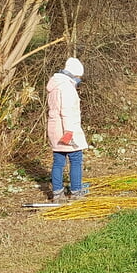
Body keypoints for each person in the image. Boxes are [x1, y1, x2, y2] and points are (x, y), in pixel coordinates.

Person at [47, 57, 89, 202]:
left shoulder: (55, 85)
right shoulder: (66, 87)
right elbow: (66, 112)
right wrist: (69, 132)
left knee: (58, 161)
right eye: (78, 77)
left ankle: (57, 193)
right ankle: (76, 191)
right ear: (74, 74)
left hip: (54, 129)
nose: (79, 80)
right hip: (65, 130)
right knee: (76, 159)